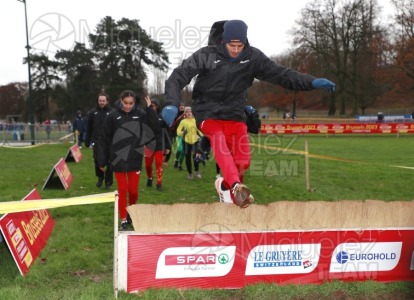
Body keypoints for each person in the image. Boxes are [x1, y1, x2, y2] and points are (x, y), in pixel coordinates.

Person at [162, 19, 336, 208]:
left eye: (240, 45)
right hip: (207, 112)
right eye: (231, 45)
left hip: (235, 114)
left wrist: (311, 82)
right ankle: (236, 186)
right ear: (223, 41)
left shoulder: (253, 58)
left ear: (245, 42)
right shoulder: (207, 55)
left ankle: (224, 186)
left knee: (243, 162)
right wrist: (171, 103)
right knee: (218, 139)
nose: (236, 50)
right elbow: (178, 76)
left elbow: (283, 75)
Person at [98, 90, 160, 231]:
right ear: (121, 101)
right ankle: (123, 219)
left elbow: (155, 127)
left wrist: (150, 109)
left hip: (134, 158)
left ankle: (131, 211)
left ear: (135, 103)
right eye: (125, 103)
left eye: (131, 103)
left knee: (133, 191)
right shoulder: (112, 116)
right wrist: (101, 160)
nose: (127, 106)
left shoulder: (141, 115)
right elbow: (104, 139)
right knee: (122, 190)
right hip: (118, 159)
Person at [85, 92, 114, 189]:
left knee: (109, 161)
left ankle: (108, 182)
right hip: (96, 141)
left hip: (109, 142)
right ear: (97, 101)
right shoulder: (92, 113)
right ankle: (100, 178)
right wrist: (87, 140)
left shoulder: (112, 112)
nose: (101, 102)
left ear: (107, 101)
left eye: (103, 101)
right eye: (100, 100)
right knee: (98, 161)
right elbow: (89, 128)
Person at [144, 98, 171, 191]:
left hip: (159, 145)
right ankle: (149, 178)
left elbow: (166, 132)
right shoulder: (145, 116)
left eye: (154, 105)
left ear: (158, 106)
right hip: (148, 145)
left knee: (159, 164)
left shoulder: (162, 117)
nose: (153, 107)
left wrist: (168, 146)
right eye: (151, 105)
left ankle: (159, 184)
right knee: (148, 165)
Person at [176, 106, 204, 179]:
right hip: (186, 142)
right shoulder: (183, 121)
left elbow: (198, 130)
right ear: (185, 113)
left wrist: (202, 136)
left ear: (192, 113)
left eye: (190, 111)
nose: (189, 113)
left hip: (195, 141)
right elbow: (178, 131)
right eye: (187, 112)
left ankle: (197, 171)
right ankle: (190, 173)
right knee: (187, 157)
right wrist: (182, 133)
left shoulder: (195, 120)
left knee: (196, 156)